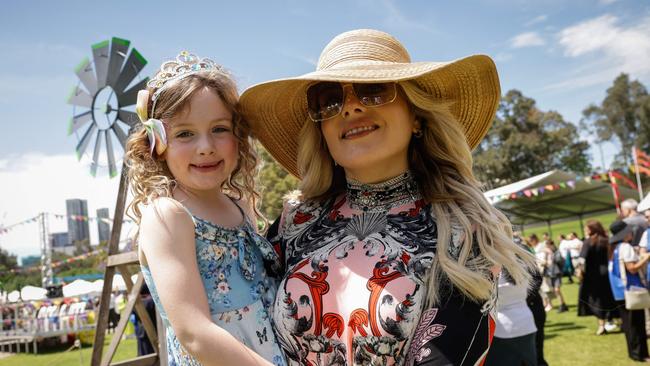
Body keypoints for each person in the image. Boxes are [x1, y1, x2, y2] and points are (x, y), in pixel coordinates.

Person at [241, 29, 535, 365]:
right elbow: (238, 316)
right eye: (329, 100)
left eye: (373, 91)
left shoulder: (464, 229)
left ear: (416, 117)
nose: (350, 108)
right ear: (321, 133)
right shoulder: (295, 221)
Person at [125, 51, 285, 366]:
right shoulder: (168, 215)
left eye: (220, 129)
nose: (205, 146)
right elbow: (194, 331)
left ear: (238, 136)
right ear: (159, 144)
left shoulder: (240, 206)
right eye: (185, 133)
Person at [608, 220, 650, 362]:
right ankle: (641, 354)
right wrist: (646, 258)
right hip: (631, 290)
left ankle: (633, 353)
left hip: (619, 291)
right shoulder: (626, 247)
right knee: (637, 324)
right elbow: (632, 268)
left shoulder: (615, 248)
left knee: (628, 324)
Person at [577, 220, 618, 335]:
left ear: (591, 229)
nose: (585, 230)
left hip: (593, 276)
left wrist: (580, 272)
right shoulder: (607, 241)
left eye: (586, 228)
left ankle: (601, 326)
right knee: (609, 297)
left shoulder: (588, 242)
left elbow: (581, 260)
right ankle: (616, 320)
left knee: (596, 300)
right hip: (608, 274)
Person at [544, 240, 569, 312]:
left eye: (548, 246)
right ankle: (563, 305)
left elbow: (559, 260)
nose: (547, 247)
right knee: (555, 291)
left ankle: (562, 305)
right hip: (550, 274)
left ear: (551, 245)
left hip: (557, 273)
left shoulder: (557, 252)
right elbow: (546, 262)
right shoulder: (546, 253)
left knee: (557, 290)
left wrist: (551, 253)